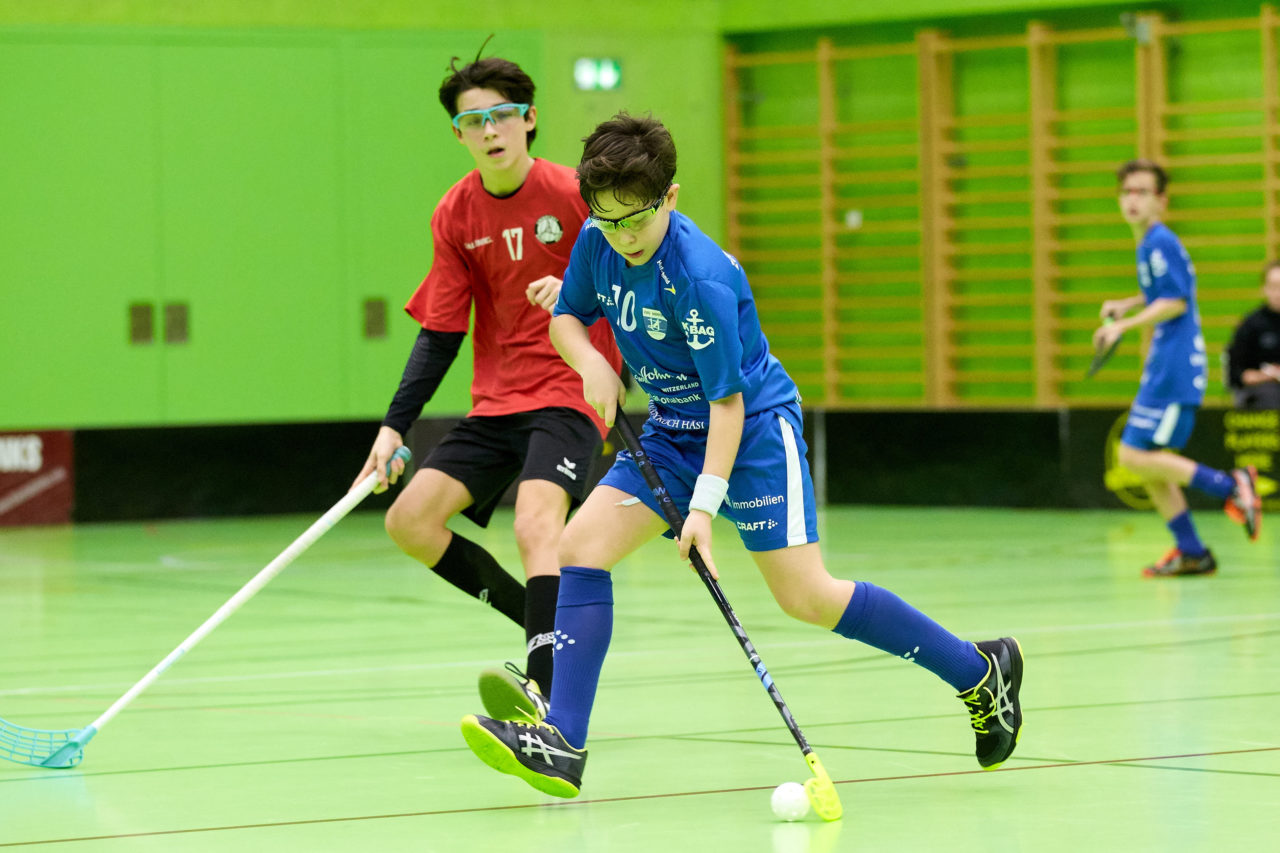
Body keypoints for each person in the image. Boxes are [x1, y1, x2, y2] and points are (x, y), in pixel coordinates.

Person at [458, 113, 1024, 799]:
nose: (622, 237)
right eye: (606, 221)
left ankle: (978, 672)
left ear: (670, 198)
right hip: (670, 431)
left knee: (806, 596)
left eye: (635, 219)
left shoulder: (702, 281)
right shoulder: (597, 239)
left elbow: (727, 404)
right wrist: (591, 366)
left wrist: (702, 510)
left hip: (751, 432)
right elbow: (568, 315)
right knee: (579, 548)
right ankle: (564, 741)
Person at [352, 51, 621, 721]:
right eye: (474, 120)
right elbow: (441, 330)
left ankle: (545, 687)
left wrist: (580, 301)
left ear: (529, 120)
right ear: (459, 135)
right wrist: (394, 427)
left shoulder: (572, 195)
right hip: (498, 401)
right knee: (409, 522)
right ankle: (543, 628)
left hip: (569, 388)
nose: (490, 130)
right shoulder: (455, 214)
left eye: (502, 115)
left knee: (537, 523)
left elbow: (629, 282)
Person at [1092, 159, 1261, 577]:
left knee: (1133, 455)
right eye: (1127, 191)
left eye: (1143, 192)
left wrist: (1124, 327)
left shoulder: (1158, 241)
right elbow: (1161, 290)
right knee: (1148, 460)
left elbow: (1178, 301)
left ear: (1161, 200)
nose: (1132, 200)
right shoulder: (1149, 243)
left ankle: (1232, 486)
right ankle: (1192, 551)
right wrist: (1127, 303)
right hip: (1166, 363)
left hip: (1175, 367)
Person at [1224, 259, 1280, 410]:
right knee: (1271, 395)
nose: (1278, 293)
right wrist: (1266, 376)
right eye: (1274, 287)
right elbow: (1235, 374)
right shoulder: (1250, 325)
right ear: (1264, 288)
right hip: (1262, 393)